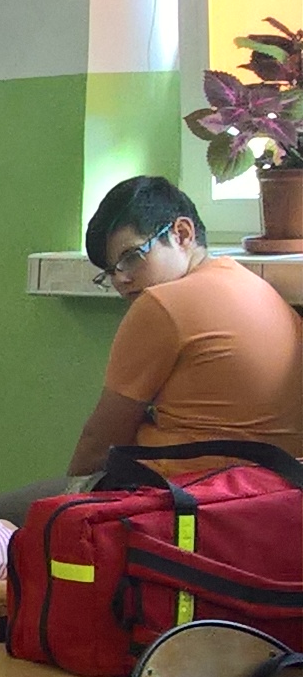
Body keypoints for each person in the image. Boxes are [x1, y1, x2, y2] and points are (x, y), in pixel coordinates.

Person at [54, 175, 303, 487]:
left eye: (131, 257)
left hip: (182, 499)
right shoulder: (257, 289)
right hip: (269, 497)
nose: (121, 280)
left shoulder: (161, 305)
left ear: (181, 233)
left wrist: (63, 503)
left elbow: (97, 445)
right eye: (110, 271)